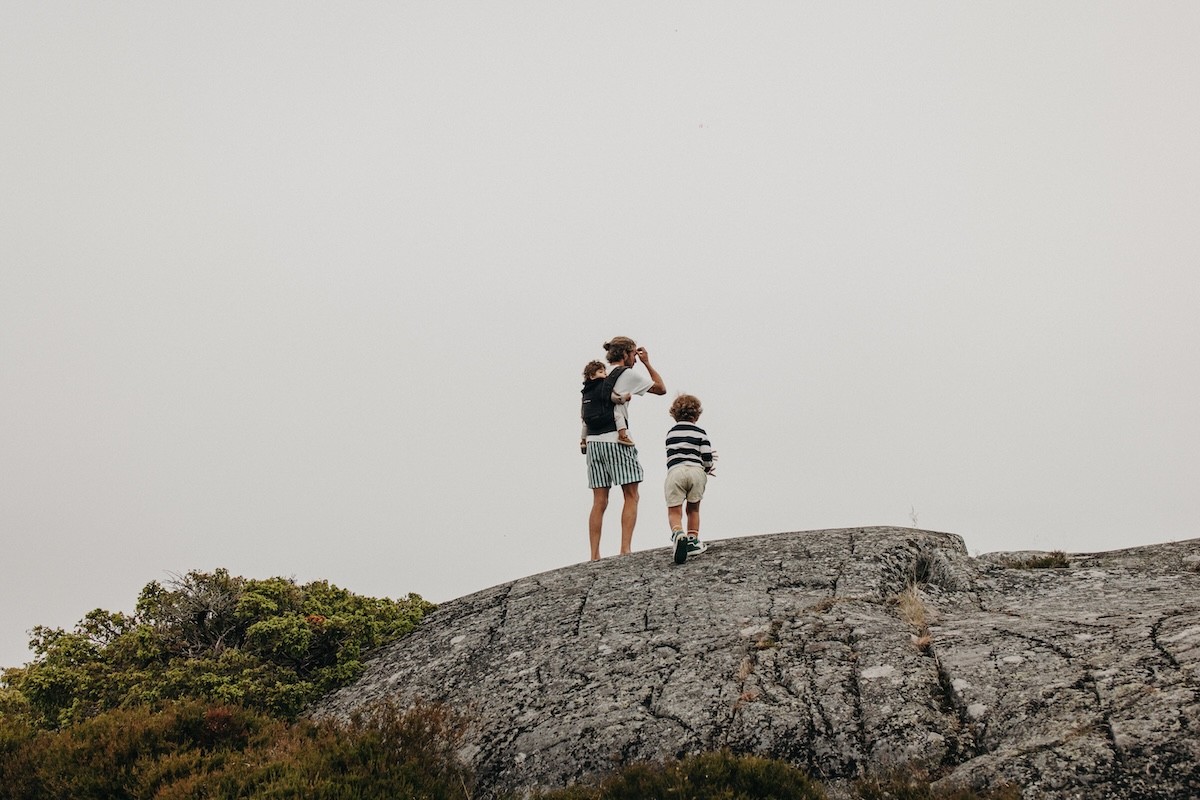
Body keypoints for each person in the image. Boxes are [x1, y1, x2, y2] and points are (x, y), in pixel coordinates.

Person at [584, 337, 666, 560]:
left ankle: (594, 555)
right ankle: (625, 549)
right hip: (617, 440)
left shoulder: (598, 378)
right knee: (631, 494)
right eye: (633, 355)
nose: (635, 360)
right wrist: (648, 363)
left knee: (599, 501)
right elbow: (661, 389)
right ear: (626, 354)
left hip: (593, 442)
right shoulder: (626, 374)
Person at [663, 393, 716, 565]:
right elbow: (707, 457)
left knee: (674, 511)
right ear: (696, 414)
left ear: (674, 414)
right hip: (696, 472)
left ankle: (678, 533)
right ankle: (693, 540)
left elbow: (671, 456)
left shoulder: (670, 433)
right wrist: (707, 468)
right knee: (693, 509)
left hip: (676, 472)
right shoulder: (701, 432)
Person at [579, 360, 635, 448]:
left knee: (585, 424)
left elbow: (583, 406)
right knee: (618, 415)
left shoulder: (586, 390)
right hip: (602, 417)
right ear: (592, 376)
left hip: (589, 419)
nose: (605, 374)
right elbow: (614, 398)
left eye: (605, 371)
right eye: (601, 372)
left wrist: (583, 416)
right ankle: (622, 436)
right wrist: (624, 398)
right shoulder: (603, 385)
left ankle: (583, 441)